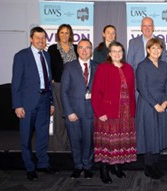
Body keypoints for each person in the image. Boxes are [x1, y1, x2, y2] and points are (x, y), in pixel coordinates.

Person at [11, 26, 56, 180]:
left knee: (43, 135)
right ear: (31, 39)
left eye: (43, 38)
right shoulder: (21, 56)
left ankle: (43, 164)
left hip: (44, 101)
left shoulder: (47, 55)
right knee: (26, 137)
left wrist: (51, 102)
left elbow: (48, 81)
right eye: (37, 38)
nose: (41, 40)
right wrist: (17, 105)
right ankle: (30, 167)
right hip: (27, 103)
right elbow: (16, 82)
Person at [91, 41, 137, 183]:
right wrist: (100, 112)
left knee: (119, 143)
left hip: (125, 113)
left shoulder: (129, 68)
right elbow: (96, 92)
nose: (117, 54)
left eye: (120, 51)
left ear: (122, 53)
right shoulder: (103, 68)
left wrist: (132, 111)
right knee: (107, 143)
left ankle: (116, 167)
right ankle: (104, 169)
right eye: (114, 51)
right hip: (108, 112)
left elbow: (132, 90)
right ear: (109, 54)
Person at [60, 39, 98, 179]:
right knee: (75, 140)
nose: (84, 50)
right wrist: (69, 111)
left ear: (91, 50)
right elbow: (63, 91)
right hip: (73, 112)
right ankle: (78, 166)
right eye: (81, 47)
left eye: (87, 47)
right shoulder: (69, 67)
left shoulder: (97, 66)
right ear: (77, 50)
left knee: (89, 141)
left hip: (90, 112)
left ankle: (87, 166)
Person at [135, 38, 167, 180]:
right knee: (149, 135)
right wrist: (155, 105)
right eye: (153, 48)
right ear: (148, 50)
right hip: (148, 105)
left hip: (162, 103)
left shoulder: (164, 65)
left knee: (158, 134)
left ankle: (156, 164)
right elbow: (141, 88)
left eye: (159, 48)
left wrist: (166, 102)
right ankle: (148, 167)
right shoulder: (142, 66)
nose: (156, 51)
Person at [48, 24, 78, 151]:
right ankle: (59, 149)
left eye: (67, 33)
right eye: (62, 32)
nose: (64, 35)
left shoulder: (76, 48)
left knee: (73, 117)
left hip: (74, 87)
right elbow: (49, 66)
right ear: (58, 34)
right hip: (59, 86)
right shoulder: (53, 48)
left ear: (70, 34)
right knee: (60, 118)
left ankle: (73, 146)